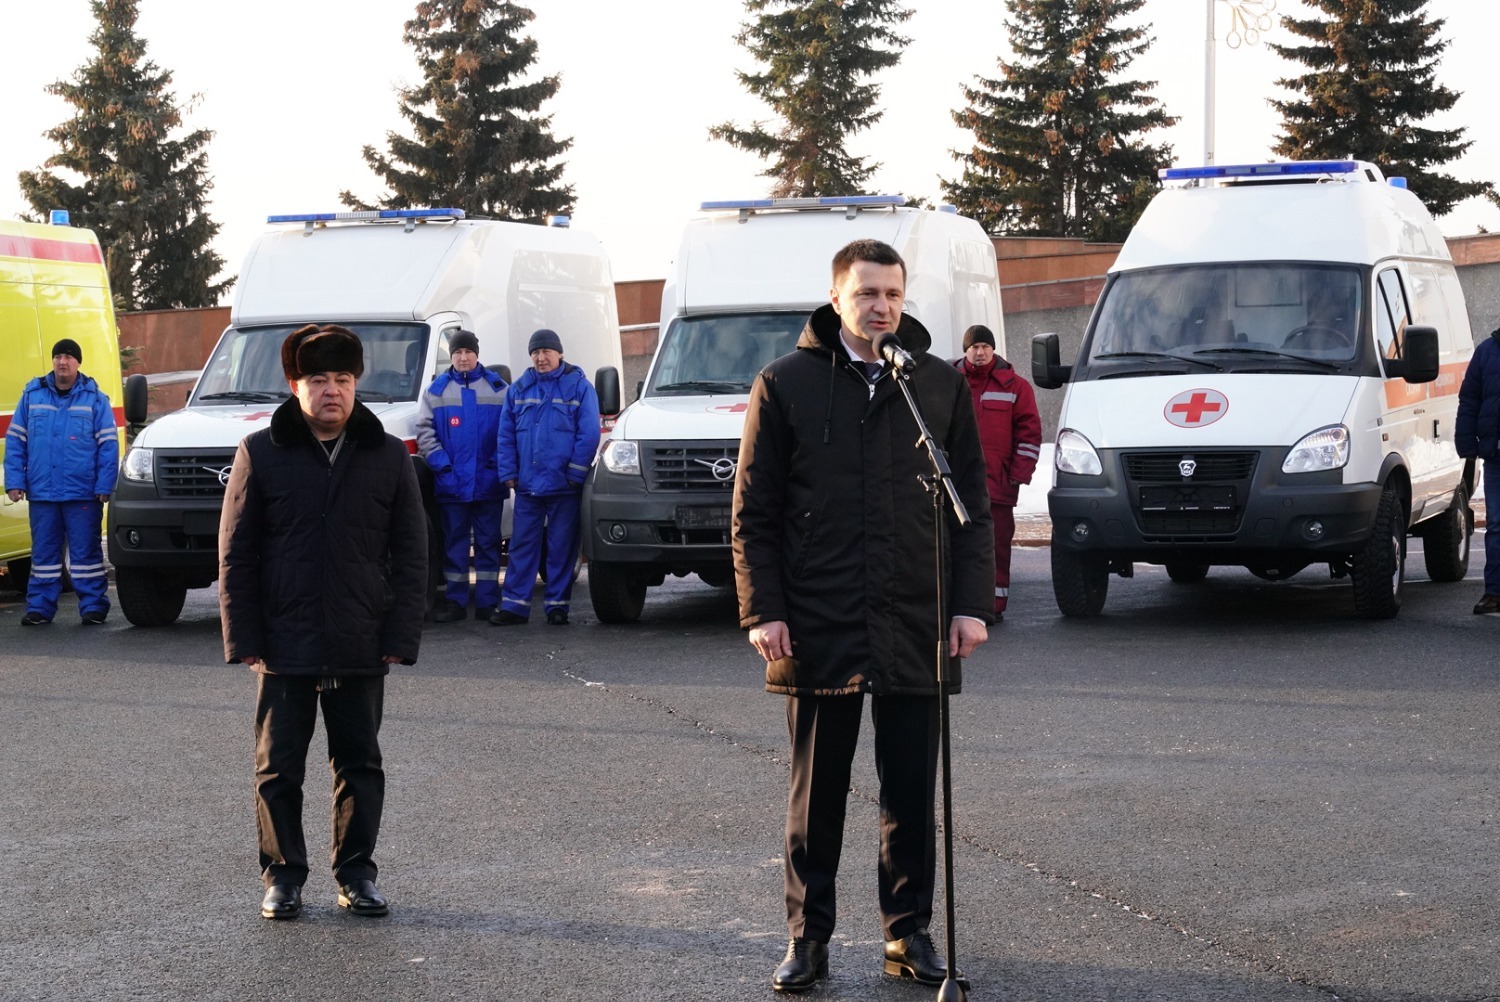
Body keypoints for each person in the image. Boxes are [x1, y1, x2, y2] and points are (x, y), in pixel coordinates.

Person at [732, 239, 995, 992]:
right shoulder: (785, 382)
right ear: (837, 298)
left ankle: (907, 933)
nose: (882, 307)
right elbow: (753, 512)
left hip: (917, 613)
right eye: (867, 293)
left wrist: (970, 605)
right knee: (817, 793)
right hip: (819, 615)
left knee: (910, 791)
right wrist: (763, 609)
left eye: (893, 294)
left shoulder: (935, 384)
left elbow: (972, 505)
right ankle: (807, 937)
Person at [219, 324, 427, 921]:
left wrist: (401, 635)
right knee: (278, 768)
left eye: (342, 378)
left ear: (356, 383)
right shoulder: (260, 451)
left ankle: (357, 874)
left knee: (359, 765)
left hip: (361, 636)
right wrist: (245, 638)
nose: (331, 390)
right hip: (283, 639)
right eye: (318, 379)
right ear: (295, 386)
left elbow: (413, 552)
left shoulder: (388, 455)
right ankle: (282, 877)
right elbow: (236, 552)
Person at [4, 338, 119, 626]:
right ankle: (39, 609)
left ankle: (93, 607)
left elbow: (108, 447)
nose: (62, 362)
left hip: (82, 494)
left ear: (78, 363)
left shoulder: (95, 399)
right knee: (43, 556)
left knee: (86, 556)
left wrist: (104, 486)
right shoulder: (32, 395)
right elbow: (16, 442)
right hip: (43, 493)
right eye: (58, 356)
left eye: (68, 356)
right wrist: (15, 481)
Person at [490, 328, 600, 627]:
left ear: (559, 353)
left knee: (561, 547)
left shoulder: (579, 387)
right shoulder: (518, 389)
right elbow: (505, 435)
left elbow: (589, 433)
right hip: (528, 486)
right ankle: (514, 607)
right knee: (521, 547)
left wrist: (576, 472)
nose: (541, 358)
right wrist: (509, 472)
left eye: (546, 352)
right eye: (535, 353)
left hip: (564, 485)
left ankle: (557, 606)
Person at [415, 329, 509, 622]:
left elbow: (508, 434)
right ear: (451, 356)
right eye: (457, 352)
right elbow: (425, 432)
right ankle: (456, 603)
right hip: (452, 484)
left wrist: (495, 467)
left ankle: (487, 602)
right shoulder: (435, 391)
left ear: (477, 355)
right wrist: (442, 467)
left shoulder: (499, 389)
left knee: (488, 544)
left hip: (488, 483)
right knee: (454, 544)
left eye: (468, 352)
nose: (463, 357)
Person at [953, 324, 1042, 620]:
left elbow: (1029, 434)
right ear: (966, 351)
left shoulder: (1016, 387)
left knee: (996, 547)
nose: (980, 353)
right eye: (974, 347)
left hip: (998, 485)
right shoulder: (949, 382)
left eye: (985, 347)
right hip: (954, 485)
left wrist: (1019, 472)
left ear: (993, 350)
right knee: (953, 546)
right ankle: (956, 604)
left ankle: (993, 605)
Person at [1456, 324, 1500, 614]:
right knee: (1496, 526)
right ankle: (1495, 592)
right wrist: (1466, 442)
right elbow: (1470, 399)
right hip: (1496, 456)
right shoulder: (1487, 352)